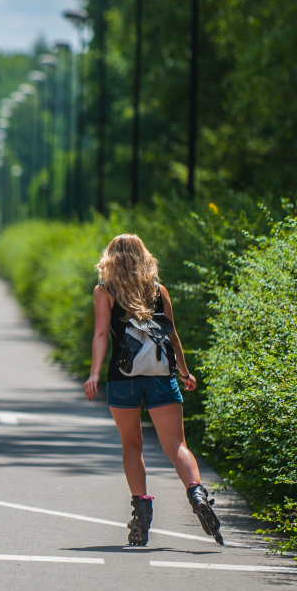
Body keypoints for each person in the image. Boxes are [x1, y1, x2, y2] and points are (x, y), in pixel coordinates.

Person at [83, 233, 222, 547]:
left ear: (110, 259)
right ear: (144, 257)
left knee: (132, 445)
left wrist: (94, 374)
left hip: (123, 378)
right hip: (161, 375)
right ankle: (197, 493)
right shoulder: (158, 290)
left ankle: (141, 510)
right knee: (176, 445)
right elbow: (172, 337)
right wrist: (184, 372)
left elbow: (101, 334)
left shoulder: (104, 292)